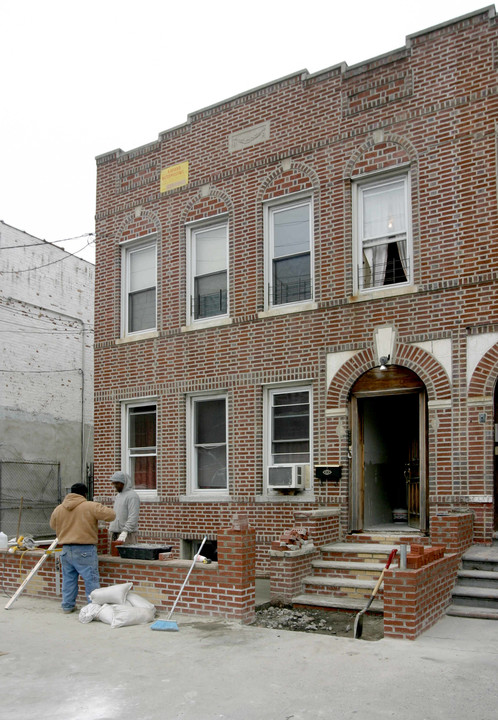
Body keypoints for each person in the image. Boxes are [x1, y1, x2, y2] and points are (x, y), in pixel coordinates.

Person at [50, 483, 115, 613]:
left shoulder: (59, 509)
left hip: (66, 550)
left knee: (68, 581)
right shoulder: (90, 506)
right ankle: (93, 608)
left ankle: (68, 606)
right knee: (91, 580)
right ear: (85, 494)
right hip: (85, 550)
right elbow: (111, 515)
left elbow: (53, 525)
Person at [108, 471, 140, 546]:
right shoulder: (118, 496)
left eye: (117, 483)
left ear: (124, 483)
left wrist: (125, 531)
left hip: (127, 535)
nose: (115, 485)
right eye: (114, 483)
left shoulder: (132, 496)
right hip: (115, 533)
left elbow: (133, 516)